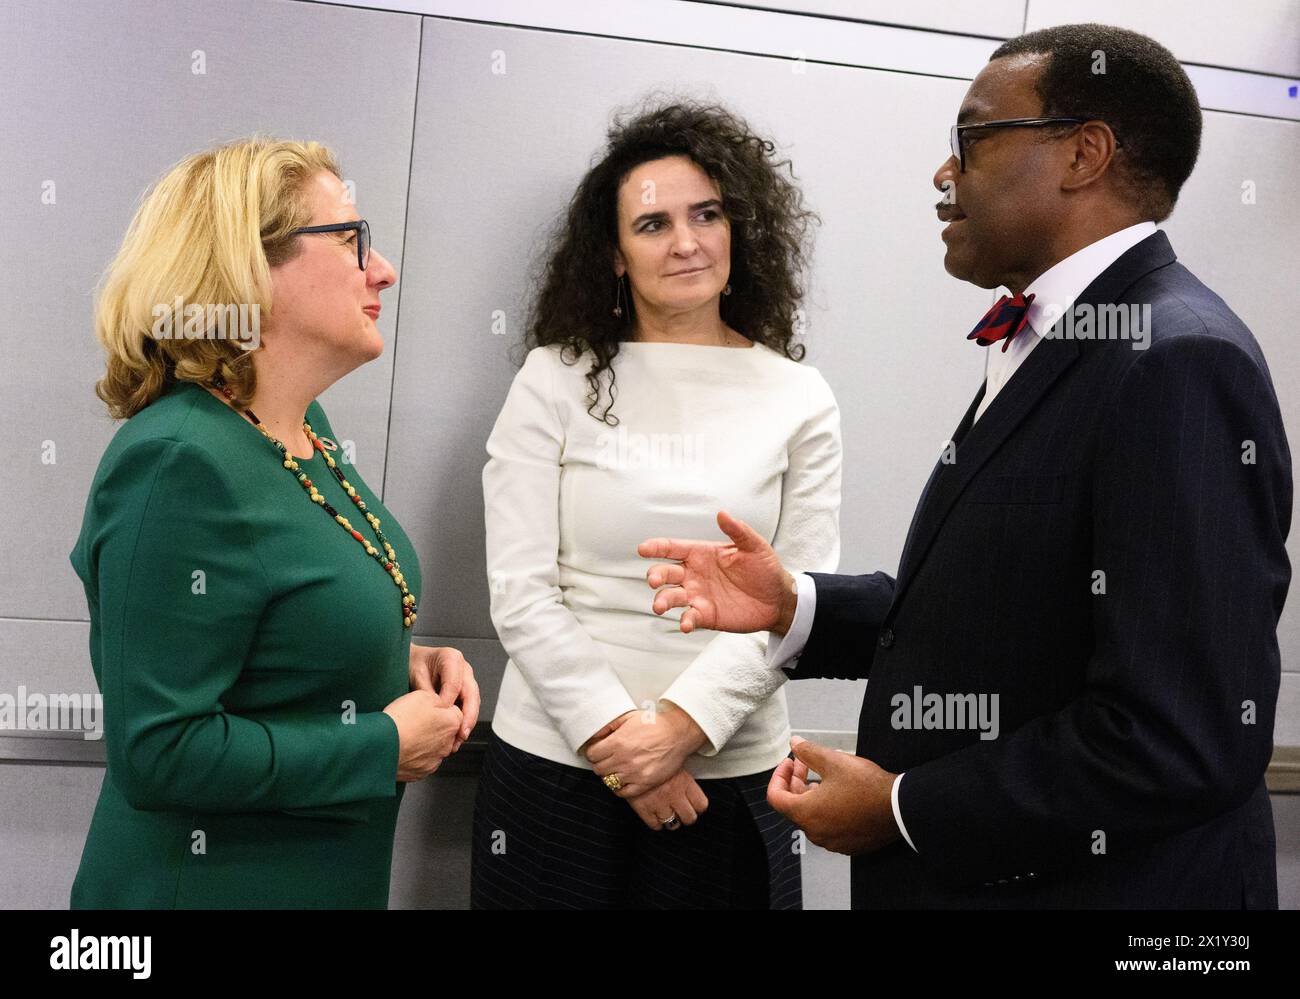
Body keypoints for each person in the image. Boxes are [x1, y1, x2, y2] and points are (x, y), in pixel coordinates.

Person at [640, 25, 1291, 909]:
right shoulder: (1066, 335)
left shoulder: (1176, 360)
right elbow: (1019, 624)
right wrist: (800, 606)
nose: (944, 173)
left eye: (971, 138)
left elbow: (1175, 737)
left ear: (1083, 153)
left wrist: (905, 808)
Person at [70, 137, 479, 908]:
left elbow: (274, 635)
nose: (382, 268)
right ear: (247, 266)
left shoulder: (302, 426)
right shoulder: (179, 459)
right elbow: (157, 750)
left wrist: (395, 656)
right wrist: (383, 744)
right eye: (352, 238)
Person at [472, 102, 839, 908]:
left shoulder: (799, 397)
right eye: (653, 223)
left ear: (738, 229)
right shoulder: (551, 378)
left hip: (732, 778)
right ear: (612, 252)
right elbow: (522, 590)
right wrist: (617, 741)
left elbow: (798, 600)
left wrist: (680, 727)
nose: (686, 242)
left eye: (707, 214)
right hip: (557, 774)